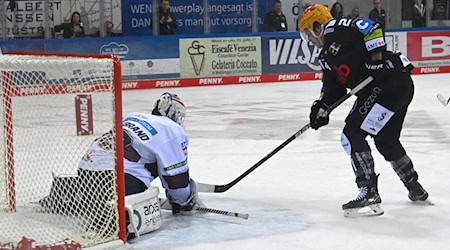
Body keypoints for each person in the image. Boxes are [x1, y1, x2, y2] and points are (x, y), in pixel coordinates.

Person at [299, 4, 429, 217]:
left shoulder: (333, 29)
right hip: (397, 87)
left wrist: (375, 59)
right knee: (386, 140)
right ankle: (415, 187)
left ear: (317, 26)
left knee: (352, 134)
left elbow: (370, 27)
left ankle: (368, 190)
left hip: (388, 82)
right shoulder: (326, 56)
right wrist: (321, 106)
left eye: (308, 33)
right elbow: (333, 87)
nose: (309, 40)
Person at [40, 93, 201, 237]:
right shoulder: (173, 130)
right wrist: (185, 201)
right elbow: (176, 180)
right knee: (131, 222)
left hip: (85, 173)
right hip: (116, 181)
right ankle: (108, 223)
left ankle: (67, 191)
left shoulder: (134, 116)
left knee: (125, 167)